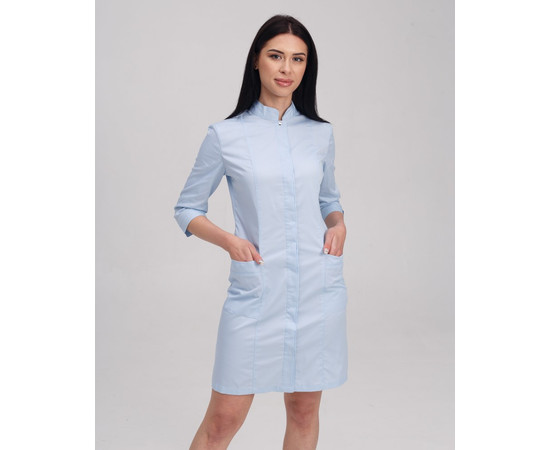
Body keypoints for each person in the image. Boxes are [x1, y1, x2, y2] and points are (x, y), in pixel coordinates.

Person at [174, 14, 348, 450]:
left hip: (315, 291)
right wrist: (230, 242)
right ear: (256, 60)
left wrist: (339, 224)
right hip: (257, 292)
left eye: (298, 59)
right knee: (223, 420)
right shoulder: (226, 135)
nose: (287, 69)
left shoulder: (320, 134)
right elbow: (187, 208)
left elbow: (329, 199)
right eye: (276, 56)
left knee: (304, 410)